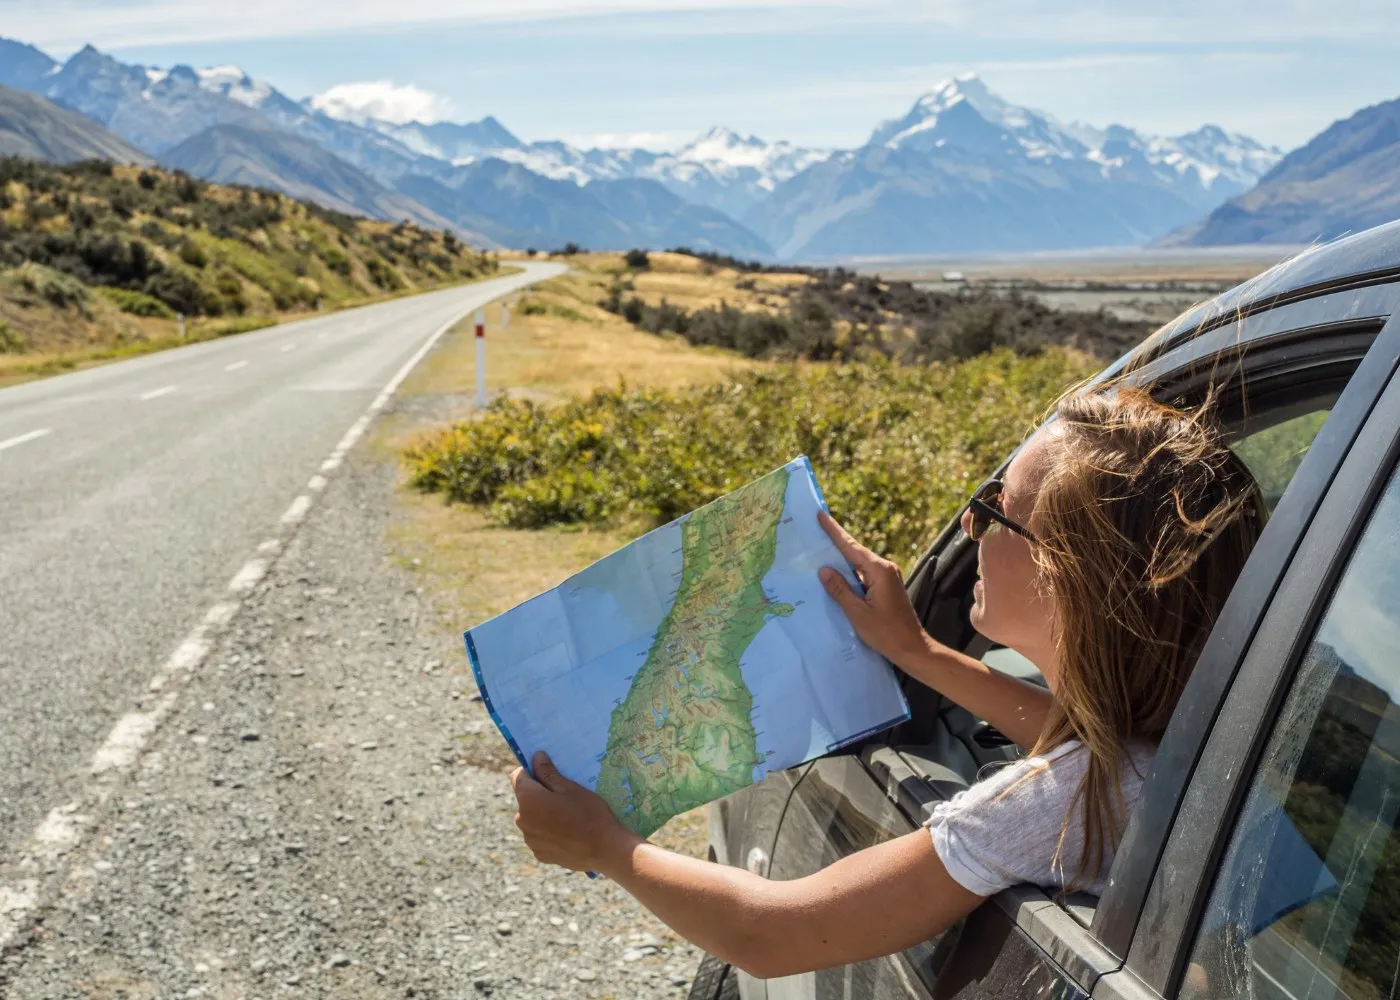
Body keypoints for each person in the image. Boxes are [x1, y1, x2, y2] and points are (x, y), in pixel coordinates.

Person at [508, 380, 1265, 981]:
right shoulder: (1181, 750)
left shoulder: (1049, 806)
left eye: (994, 512)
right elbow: (1092, 743)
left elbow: (772, 933)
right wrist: (916, 652)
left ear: (1061, 577)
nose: (972, 530)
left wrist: (605, 845)